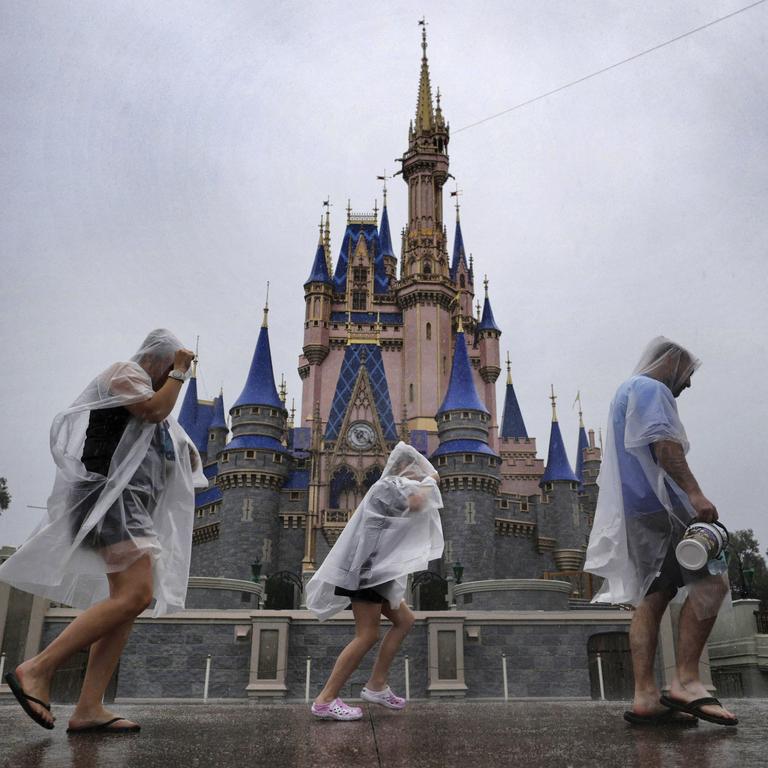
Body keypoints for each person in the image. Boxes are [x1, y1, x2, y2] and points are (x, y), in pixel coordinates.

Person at [0, 329, 207, 733]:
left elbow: (174, 450)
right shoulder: (124, 372)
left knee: (127, 605)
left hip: (129, 508)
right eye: (167, 369)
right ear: (155, 360)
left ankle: (89, 706)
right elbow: (152, 410)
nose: (171, 380)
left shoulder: (156, 404)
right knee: (136, 594)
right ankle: (37, 670)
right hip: (109, 502)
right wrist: (181, 373)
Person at [585, 337, 736, 726]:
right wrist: (695, 494)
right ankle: (686, 680)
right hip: (665, 507)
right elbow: (666, 447)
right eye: (686, 375)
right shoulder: (652, 389)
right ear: (670, 363)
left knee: (652, 597)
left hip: (635, 512)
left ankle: (645, 697)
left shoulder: (623, 392)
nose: (687, 385)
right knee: (711, 582)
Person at [305, 442, 444, 720]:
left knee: (405, 621)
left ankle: (377, 685)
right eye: (417, 470)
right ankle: (325, 699)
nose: (419, 476)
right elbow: (417, 504)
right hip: (367, 571)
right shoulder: (388, 486)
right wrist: (431, 480)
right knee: (367, 634)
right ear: (406, 468)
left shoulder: (392, 487)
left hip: (375, 571)